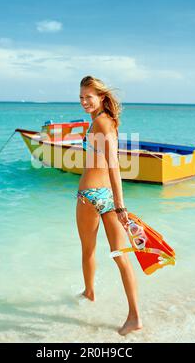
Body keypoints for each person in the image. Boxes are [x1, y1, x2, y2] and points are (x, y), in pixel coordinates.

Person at [76, 75, 142, 336]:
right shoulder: (107, 122)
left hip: (91, 196)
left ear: (101, 97)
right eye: (81, 97)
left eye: (88, 97)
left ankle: (89, 293)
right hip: (107, 197)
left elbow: (114, 165)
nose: (83, 102)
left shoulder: (101, 123)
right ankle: (134, 316)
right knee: (119, 255)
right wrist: (116, 203)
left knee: (88, 251)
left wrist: (122, 207)